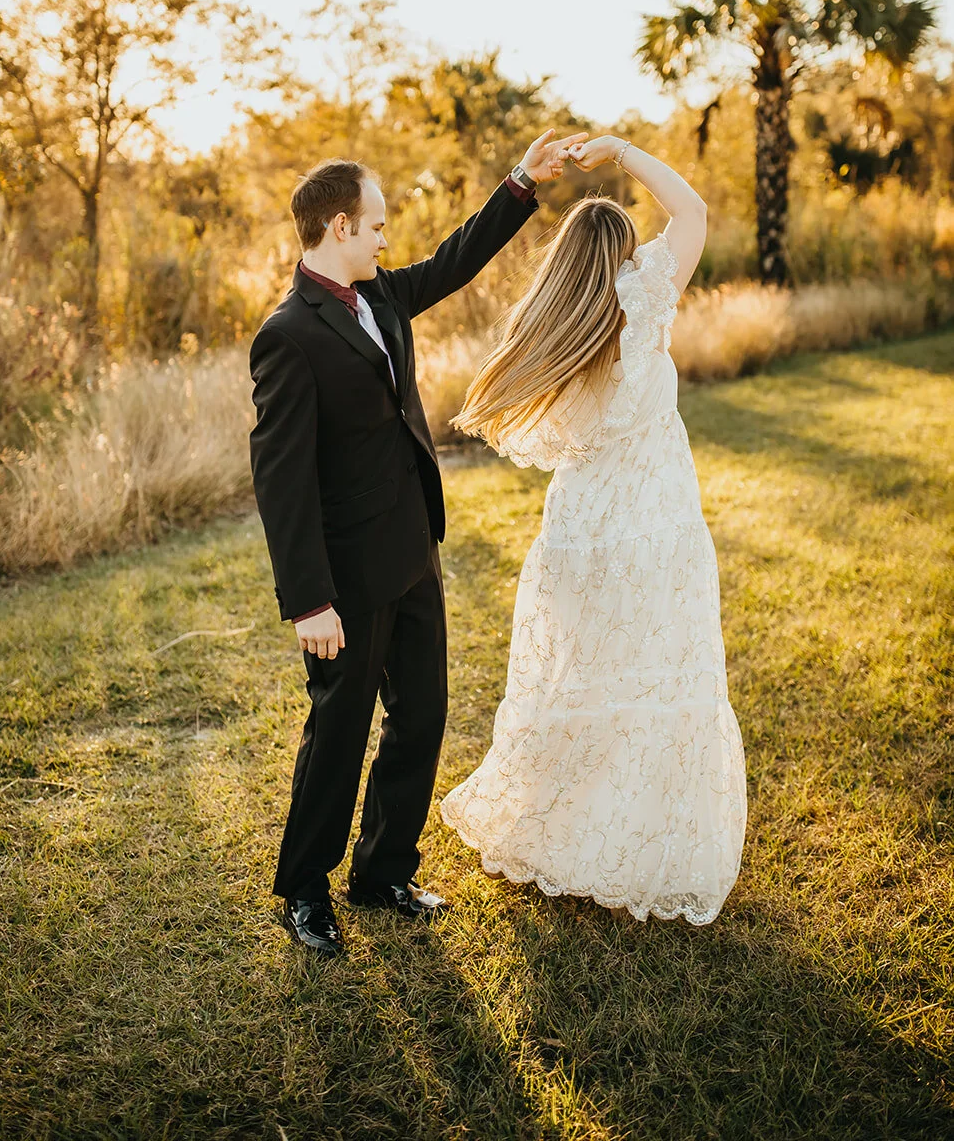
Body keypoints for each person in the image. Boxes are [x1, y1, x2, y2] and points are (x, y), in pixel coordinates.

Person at [249, 128, 587, 957]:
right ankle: (305, 891)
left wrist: (520, 183)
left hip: (413, 553)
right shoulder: (288, 336)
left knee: (422, 717)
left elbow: (454, 259)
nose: (386, 236)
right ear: (337, 230)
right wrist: (310, 602)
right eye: (374, 224)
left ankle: (382, 871)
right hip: (346, 581)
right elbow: (280, 482)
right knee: (338, 731)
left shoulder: (382, 297)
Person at [439, 134, 747, 925]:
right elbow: (691, 208)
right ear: (623, 251)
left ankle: (564, 834)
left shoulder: (559, 325)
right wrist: (618, 152)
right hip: (654, 527)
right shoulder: (643, 298)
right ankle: (635, 836)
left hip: (580, 532)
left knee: (577, 683)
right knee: (652, 681)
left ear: (566, 262)